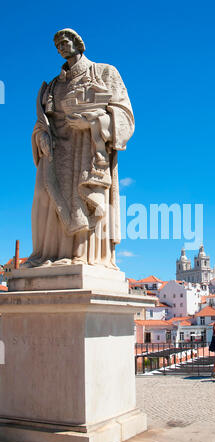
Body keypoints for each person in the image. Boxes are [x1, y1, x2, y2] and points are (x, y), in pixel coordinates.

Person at [23, 28, 134, 269]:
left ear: (78, 43)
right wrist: (40, 135)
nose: (61, 47)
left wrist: (94, 123)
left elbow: (125, 116)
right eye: (57, 45)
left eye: (65, 41)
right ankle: (48, 255)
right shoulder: (52, 86)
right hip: (55, 153)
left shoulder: (104, 72)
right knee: (45, 198)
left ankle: (81, 255)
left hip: (87, 149)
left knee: (82, 201)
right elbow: (42, 121)